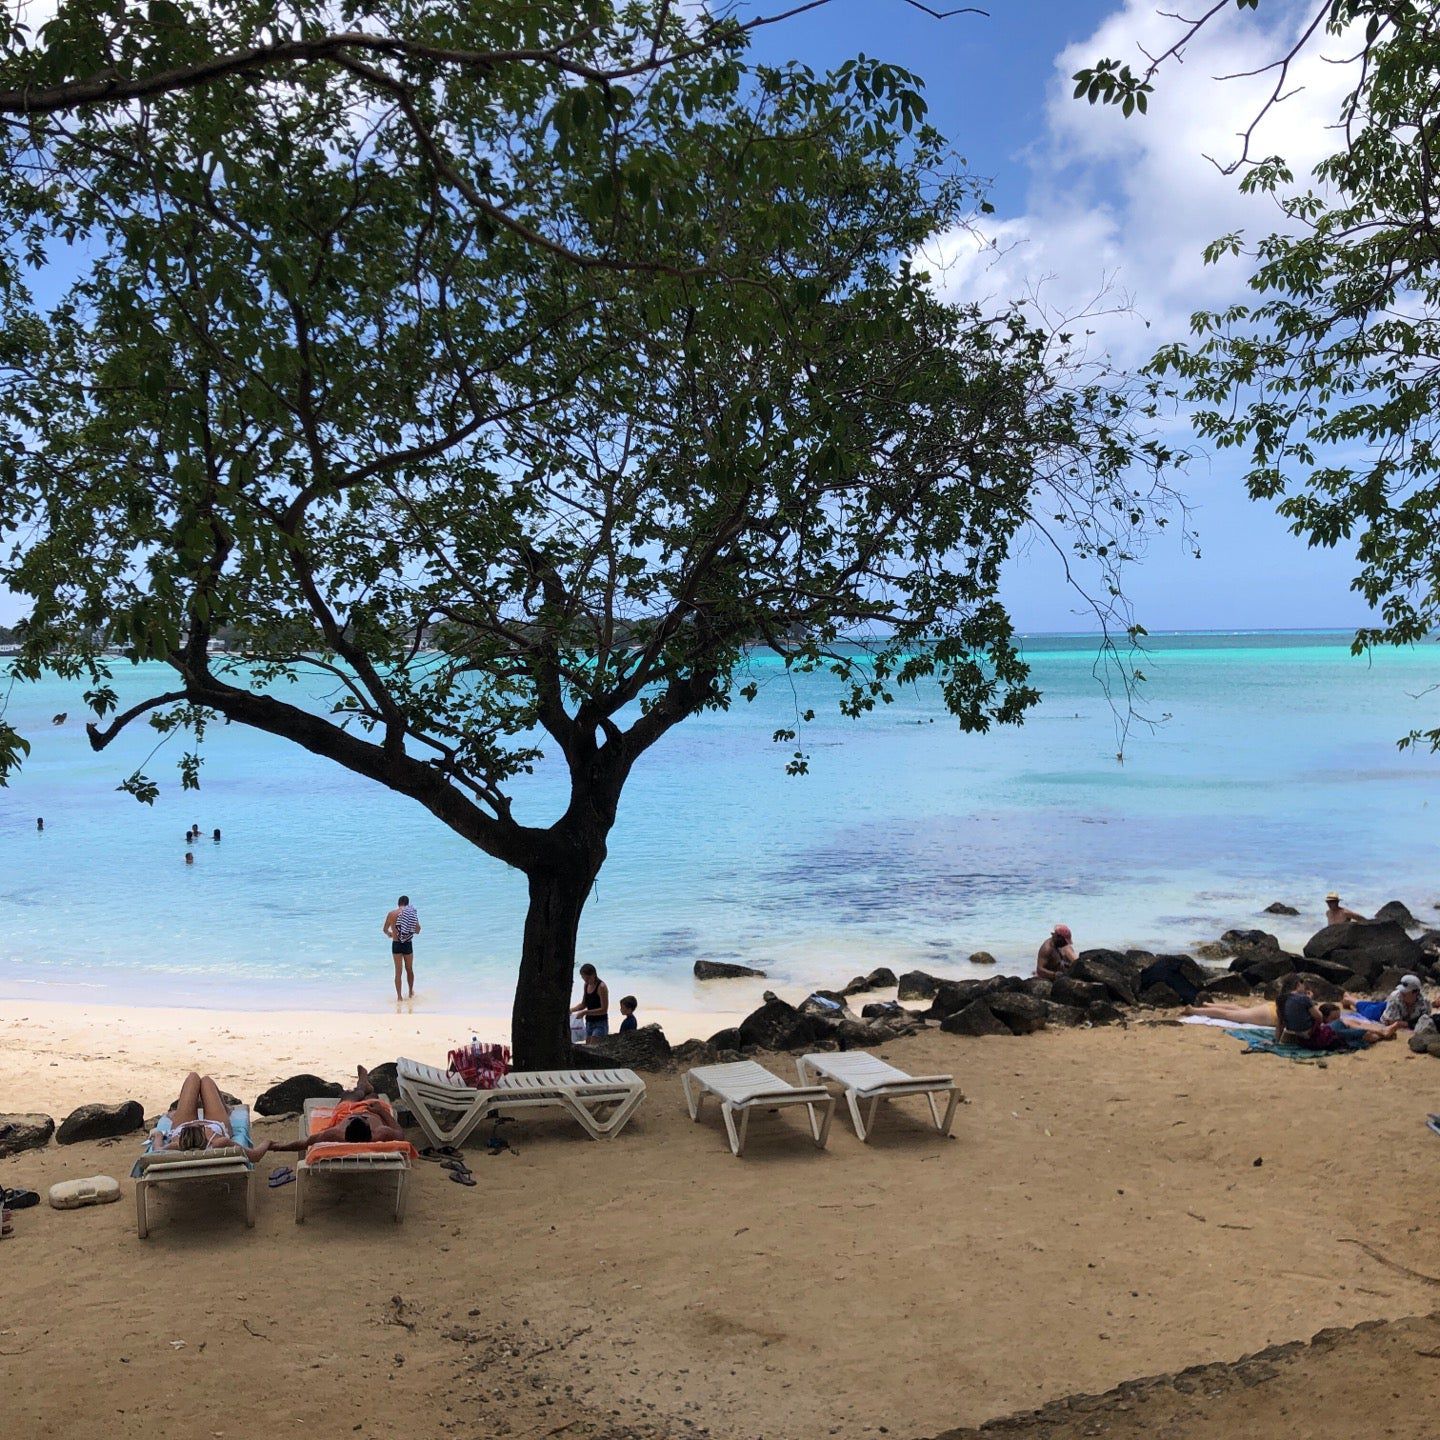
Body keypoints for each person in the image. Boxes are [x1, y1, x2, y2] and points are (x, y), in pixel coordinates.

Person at [268, 1067, 407, 1151]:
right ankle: (364, 1086)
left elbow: (305, 1143)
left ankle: (362, 1086)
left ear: (345, 1130)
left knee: (347, 1096)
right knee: (372, 1096)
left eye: (353, 1119)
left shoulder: (334, 1134)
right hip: (373, 1110)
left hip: (346, 1111)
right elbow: (400, 1133)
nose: (358, 1115)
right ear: (371, 1130)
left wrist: (278, 1147)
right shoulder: (380, 1133)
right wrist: (381, 1111)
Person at [149, 1072, 272, 1161]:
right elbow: (255, 1156)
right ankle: (226, 1110)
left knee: (193, 1077)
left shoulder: (178, 1145)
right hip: (215, 1124)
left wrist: (157, 1133)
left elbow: (157, 1150)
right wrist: (268, 1142)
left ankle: (177, 1114)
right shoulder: (218, 1142)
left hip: (183, 1127)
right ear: (203, 1131)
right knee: (206, 1081)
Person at [1277, 976, 1395, 1049]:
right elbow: (1319, 1017)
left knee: (1346, 1023)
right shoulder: (1302, 998)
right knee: (1360, 1034)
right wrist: (1311, 1000)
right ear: (1298, 985)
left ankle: (1382, 1031)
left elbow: (1280, 1024)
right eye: (1302, 985)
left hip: (1303, 1039)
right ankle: (1383, 1033)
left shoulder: (1280, 1000)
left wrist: (1276, 1042)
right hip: (1317, 1036)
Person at [383, 894, 421, 999]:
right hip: (407, 944)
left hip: (396, 944)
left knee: (398, 972)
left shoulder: (391, 914)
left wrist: (390, 934)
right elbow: (418, 930)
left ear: (398, 903)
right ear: (408, 904)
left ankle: (399, 997)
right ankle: (410, 993)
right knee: (409, 969)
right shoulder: (411, 914)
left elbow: (385, 929)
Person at [571, 962, 609, 1041]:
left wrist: (585, 1012)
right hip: (589, 1022)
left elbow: (604, 1010)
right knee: (588, 1046)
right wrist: (571, 1010)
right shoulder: (586, 985)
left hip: (600, 1022)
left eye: (588, 978)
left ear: (593, 975)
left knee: (595, 1045)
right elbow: (583, 1004)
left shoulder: (601, 987)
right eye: (584, 978)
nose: (586, 981)